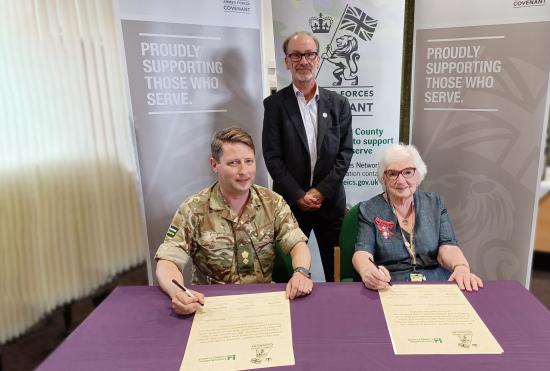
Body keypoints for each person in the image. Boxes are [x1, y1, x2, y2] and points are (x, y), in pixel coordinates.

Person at [155, 127, 314, 315]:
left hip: (261, 304)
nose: (244, 171)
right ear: (215, 165)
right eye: (233, 163)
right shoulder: (193, 209)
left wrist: (301, 272)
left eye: (249, 161)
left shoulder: (272, 202)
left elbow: (297, 243)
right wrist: (177, 292)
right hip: (210, 305)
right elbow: (167, 260)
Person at [262, 31, 353, 282]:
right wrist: (299, 195)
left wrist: (321, 192)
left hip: (330, 203)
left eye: (310, 54)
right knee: (290, 273)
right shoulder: (274, 106)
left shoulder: (339, 104)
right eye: (297, 55)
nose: (304, 60)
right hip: (290, 206)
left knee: (336, 271)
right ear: (287, 61)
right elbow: (272, 157)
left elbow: (345, 154)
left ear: (318, 59)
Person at [352, 144, 483, 291]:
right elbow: (362, 252)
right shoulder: (370, 209)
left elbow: (447, 247)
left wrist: (460, 267)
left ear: (419, 175)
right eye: (393, 173)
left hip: (435, 283)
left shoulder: (434, 203)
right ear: (384, 178)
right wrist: (367, 271)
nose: (400, 180)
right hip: (391, 285)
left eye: (408, 172)